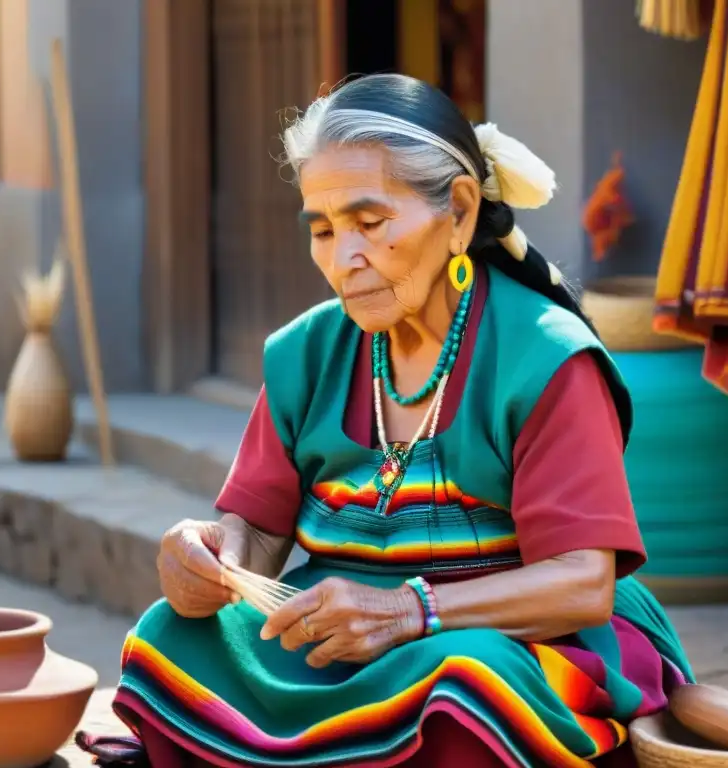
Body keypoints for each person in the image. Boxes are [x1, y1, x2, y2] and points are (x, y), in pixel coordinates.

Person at [78, 73, 694, 768]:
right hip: (342, 638)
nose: (345, 259)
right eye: (324, 229)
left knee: (467, 690)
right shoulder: (305, 352)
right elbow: (256, 534)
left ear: (458, 212)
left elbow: (582, 583)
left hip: (512, 640)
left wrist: (409, 612)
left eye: (370, 224)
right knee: (169, 640)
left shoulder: (544, 358)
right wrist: (210, 558)